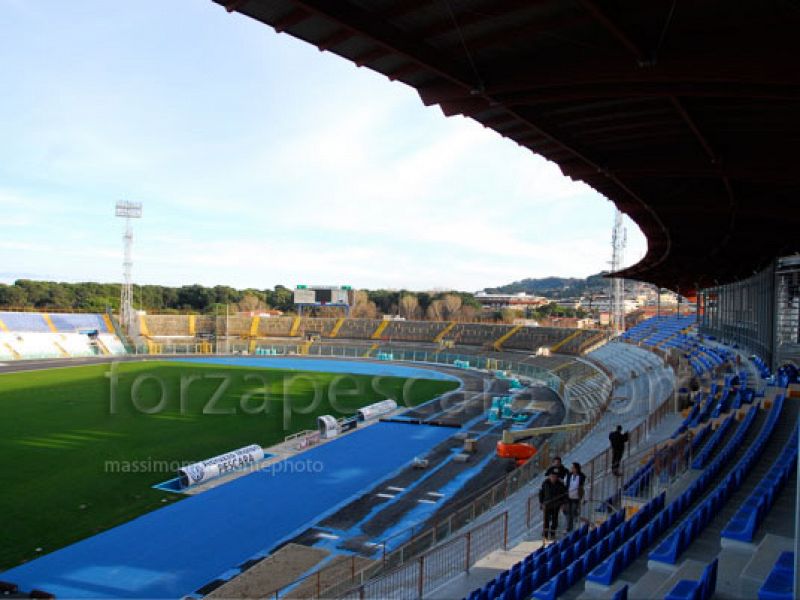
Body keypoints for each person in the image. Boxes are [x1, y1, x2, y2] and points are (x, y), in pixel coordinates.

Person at [539, 471, 567, 541]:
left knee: (555, 520)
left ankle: (552, 534)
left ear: (557, 477)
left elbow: (564, 495)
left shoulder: (560, 484)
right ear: (549, 477)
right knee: (546, 520)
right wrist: (541, 503)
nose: (553, 478)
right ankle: (545, 534)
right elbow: (541, 493)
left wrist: (563, 503)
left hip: (556, 504)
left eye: (554, 477)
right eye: (552, 476)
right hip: (547, 504)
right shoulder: (545, 483)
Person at [564, 462, 586, 532]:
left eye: (573, 468)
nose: (572, 469)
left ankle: (574, 524)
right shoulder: (569, 475)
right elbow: (566, 484)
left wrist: (583, 497)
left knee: (573, 511)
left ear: (576, 469)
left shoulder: (582, 476)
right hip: (568, 496)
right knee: (567, 512)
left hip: (576, 497)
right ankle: (568, 527)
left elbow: (582, 487)